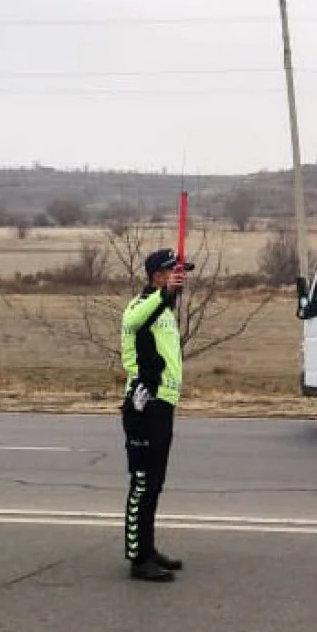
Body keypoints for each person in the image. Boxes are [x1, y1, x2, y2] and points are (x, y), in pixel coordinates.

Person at [120, 247, 193, 582]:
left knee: (156, 482)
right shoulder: (140, 307)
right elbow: (134, 320)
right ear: (156, 276)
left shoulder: (164, 308)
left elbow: (163, 306)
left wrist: (169, 295)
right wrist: (165, 293)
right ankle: (137, 558)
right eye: (173, 272)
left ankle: (148, 549)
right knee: (142, 482)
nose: (180, 277)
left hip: (165, 402)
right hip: (144, 404)